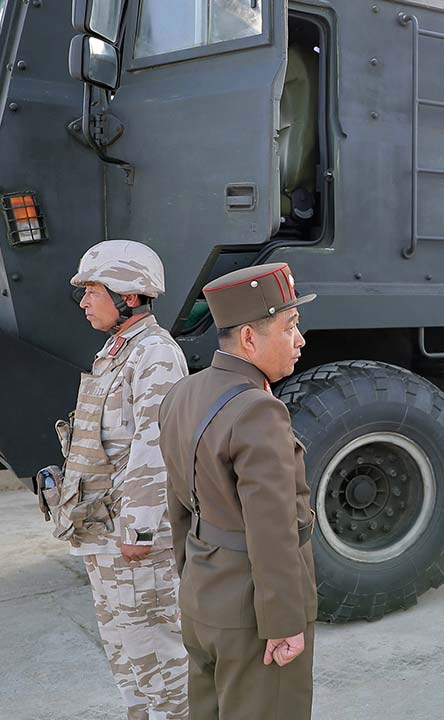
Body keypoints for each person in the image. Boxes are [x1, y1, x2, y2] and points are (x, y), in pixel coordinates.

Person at [158, 263, 318, 720]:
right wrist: (284, 622)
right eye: (290, 327)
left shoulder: (182, 394)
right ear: (249, 338)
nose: (300, 339)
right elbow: (273, 531)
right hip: (255, 614)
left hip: (204, 598)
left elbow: (179, 507)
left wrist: (194, 584)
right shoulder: (258, 411)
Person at [44, 240, 190, 719]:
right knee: (125, 651)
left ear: (128, 294)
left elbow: (156, 448)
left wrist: (140, 530)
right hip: (102, 532)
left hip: (133, 541)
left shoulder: (155, 355)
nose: (84, 301)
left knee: (157, 656)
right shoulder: (116, 351)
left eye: (91, 291)